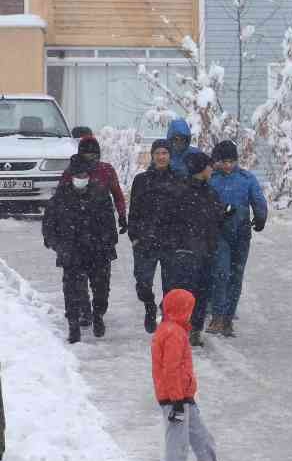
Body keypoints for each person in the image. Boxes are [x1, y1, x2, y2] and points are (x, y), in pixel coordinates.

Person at [42, 156, 120, 343]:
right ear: (70, 176)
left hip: (98, 251)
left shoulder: (101, 195)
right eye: (77, 174)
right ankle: (73, 325)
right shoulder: (59, 198)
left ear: (89, 176)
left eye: (84, 174)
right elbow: (48, 227)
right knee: (72, 291)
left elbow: (110, 224)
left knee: (101, 290)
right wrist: (59, 246)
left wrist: (108, 244)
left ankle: (98, 314)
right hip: (71, 252)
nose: (81, 177)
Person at [151, 287, 217, 461]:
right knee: (178, 447)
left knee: (204, 443)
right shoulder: (173, 333)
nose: (191, 313)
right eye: (189, 308)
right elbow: (170, 370)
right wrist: (177, 400)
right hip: (176, 401)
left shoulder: (175, 331)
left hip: (184, 399)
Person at [162, 150, 226, 348]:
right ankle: (179, 329)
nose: (212, 169)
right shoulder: (181, 192)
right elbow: (171, 221)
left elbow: (216, 217)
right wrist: (178, 244)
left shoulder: (210, 191)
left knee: (202, 292)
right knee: (185, 293)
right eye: (208, 166)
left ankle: (195, 330)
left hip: (205, 250)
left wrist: (226, 213)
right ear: (200, 169)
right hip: (186, 251)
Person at [206, 140, 268, 337]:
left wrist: (260, 217)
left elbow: (258, 199)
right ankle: (217, 315)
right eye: (224, 161)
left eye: (231, 161)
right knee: (221, 273)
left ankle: (228, 318)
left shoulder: (246, 178)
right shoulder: (211, 179)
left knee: (236, 276)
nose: (227, 165)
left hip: (241, 234)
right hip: (219, 233)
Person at [128, 139, 183, 334]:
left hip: (170, 241)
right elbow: (133, 211)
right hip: (145, 240)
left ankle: (166, 315)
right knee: (143, 282)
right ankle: (149, 306)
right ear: (152, 156)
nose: (161, 157)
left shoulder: (178, 179)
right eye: (158, 153)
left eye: (165, 153)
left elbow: (184, 211)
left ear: (170, 156)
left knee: (171, 285)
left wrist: (181, 238)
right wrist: (134, 236)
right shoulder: (141, 180)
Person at [56, 134, 128, 232]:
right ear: (80, 153)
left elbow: (117, 194)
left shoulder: (106, 170)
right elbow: (59, 198)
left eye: (94, 153)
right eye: (88, 153)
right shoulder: (71, 171)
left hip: (103, 222)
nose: (92, 156)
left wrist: (122, 215)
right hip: (78, 223)